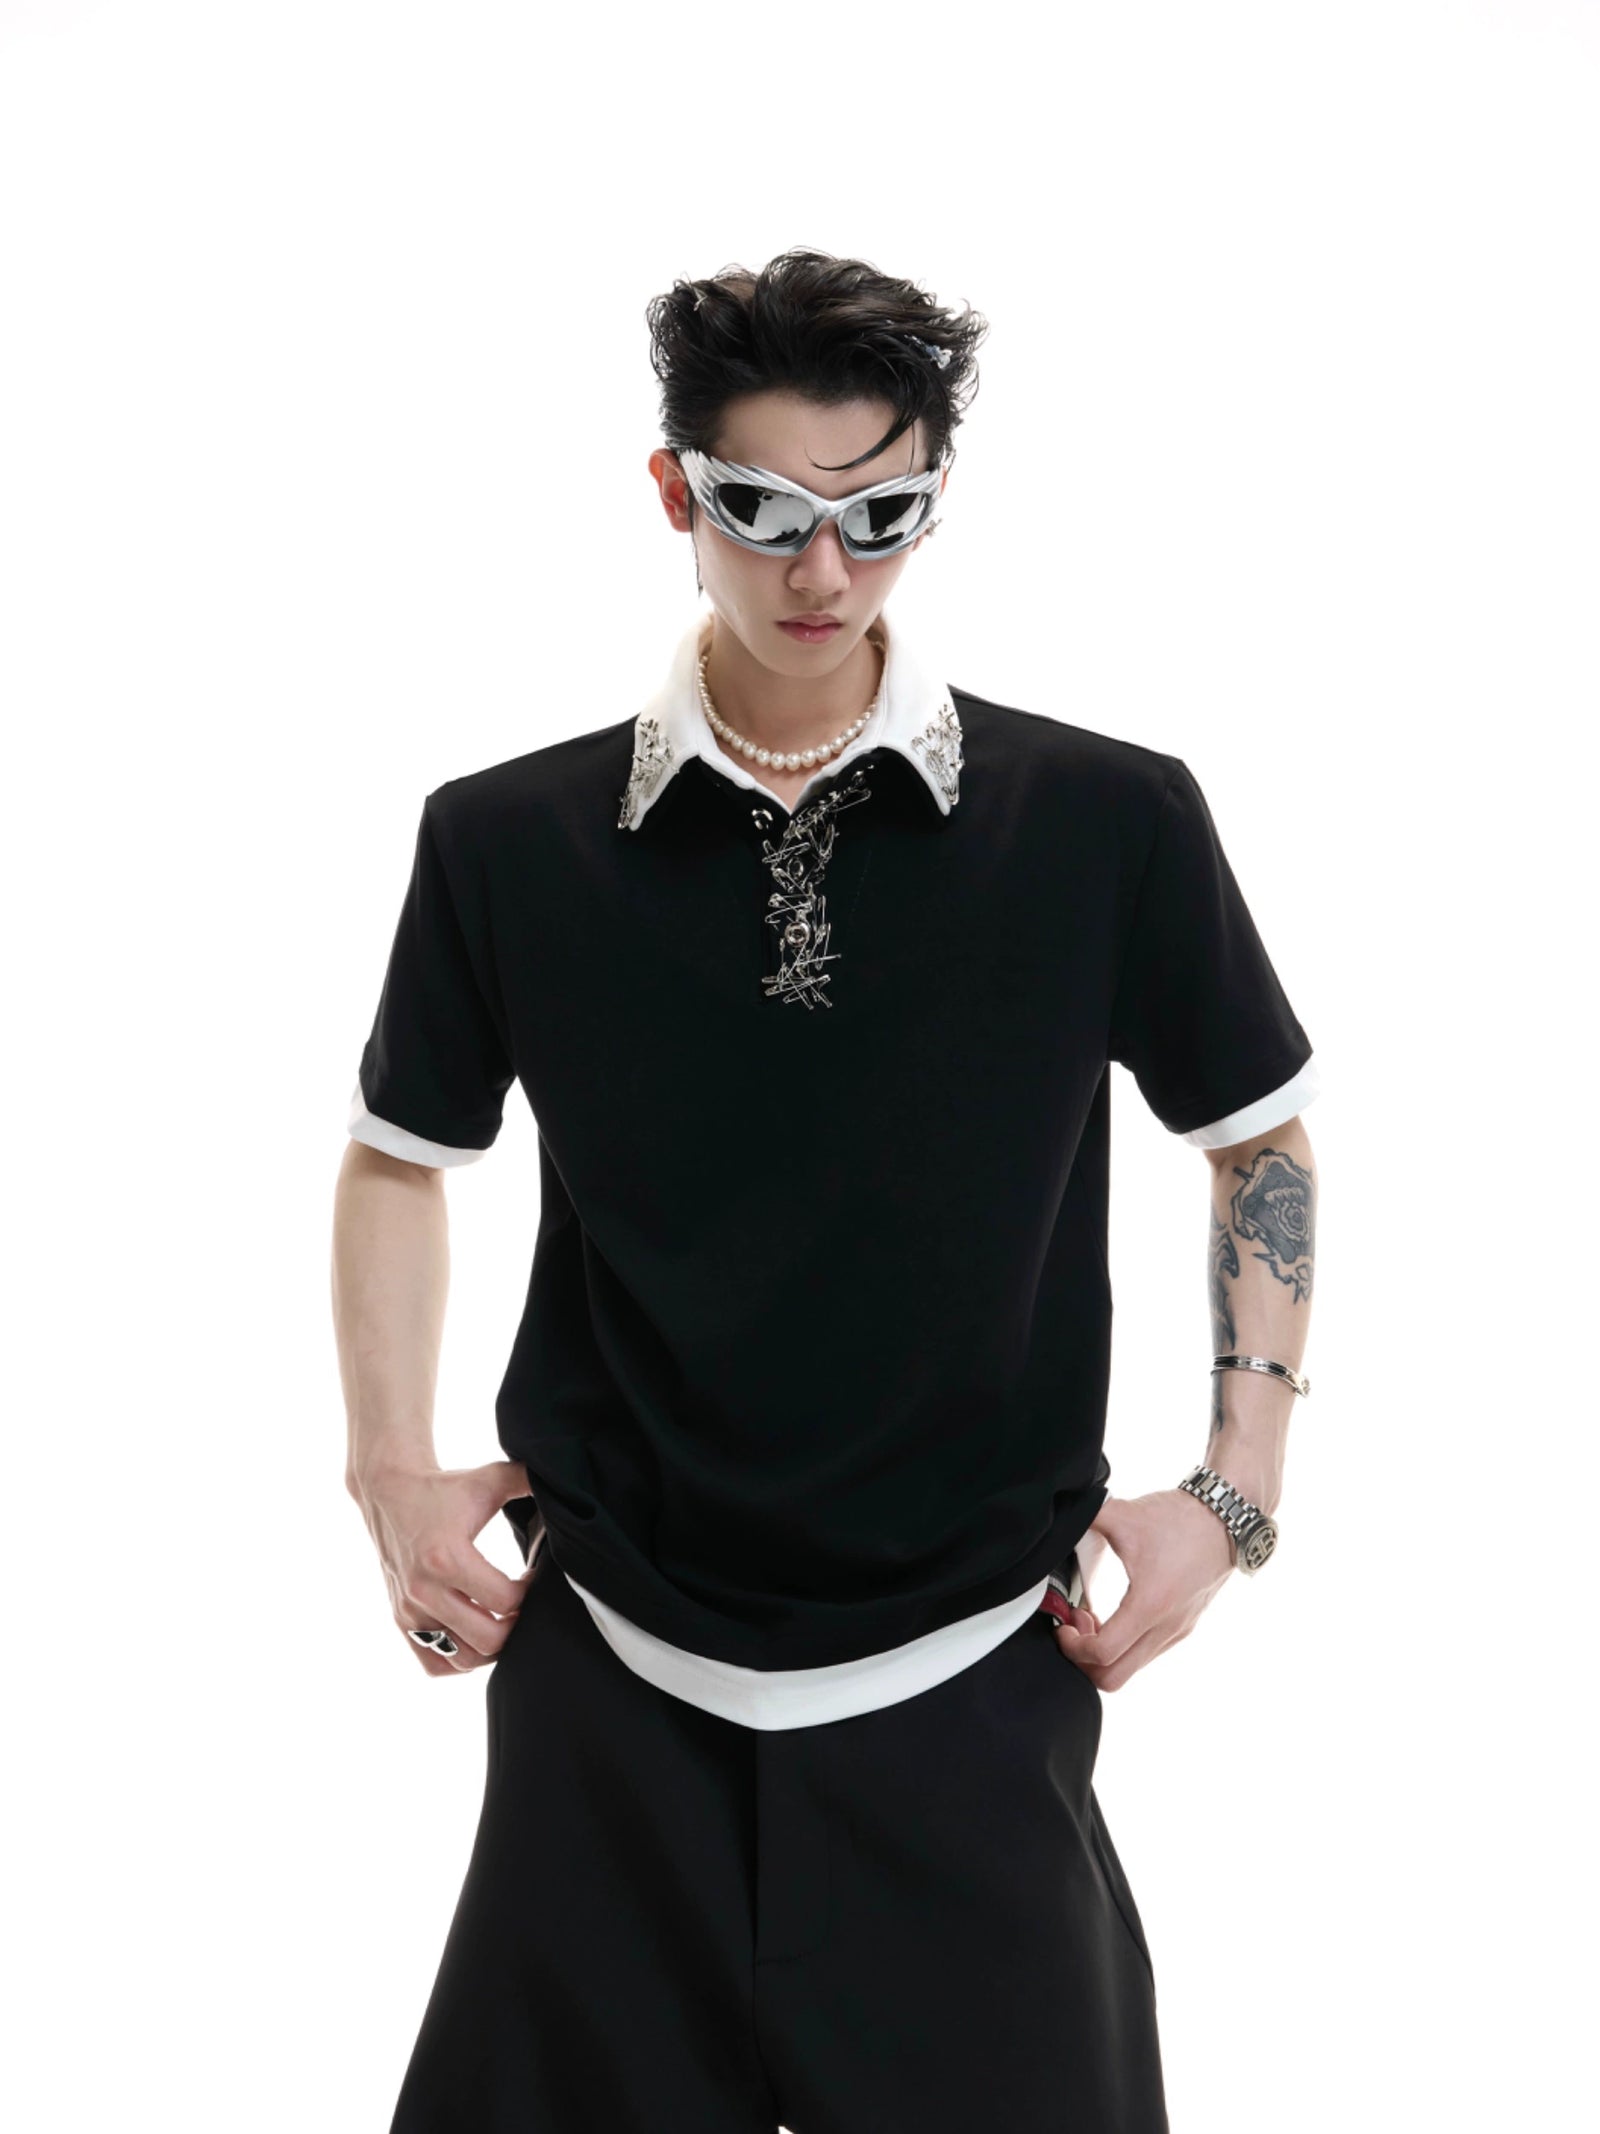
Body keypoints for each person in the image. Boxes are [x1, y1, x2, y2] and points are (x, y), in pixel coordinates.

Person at [331, 246, 1320, 2134]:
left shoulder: (1107, 820)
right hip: (613, 1678)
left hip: (975, 1670)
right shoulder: (505, 842)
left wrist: (1236, 1489)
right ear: (673, 490)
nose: (822, 570)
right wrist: (388, 1463)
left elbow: (1258, 1132)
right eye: (764, 508)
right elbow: (401, 1154)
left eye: (881, 514)